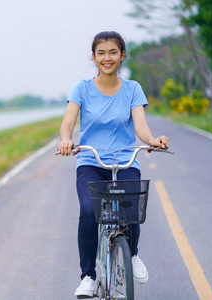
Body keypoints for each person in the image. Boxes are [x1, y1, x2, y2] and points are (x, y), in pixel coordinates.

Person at [58, 31, 169, 298]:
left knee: (131, 210)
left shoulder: (132, 89)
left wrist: (153, 140)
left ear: (121, 56)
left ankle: (132, 254)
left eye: (113, 52)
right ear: (94, 57)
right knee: (88, 210)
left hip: (124, 161)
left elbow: (141, 127)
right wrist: (65, 140)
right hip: (91, 161)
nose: (107, 58)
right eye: (101, 53)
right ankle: (88, 276)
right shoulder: (82, 88)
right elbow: (68, 124)